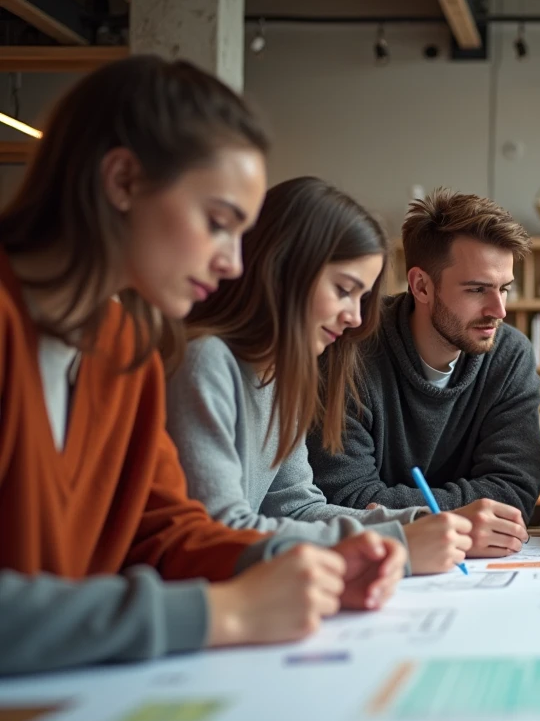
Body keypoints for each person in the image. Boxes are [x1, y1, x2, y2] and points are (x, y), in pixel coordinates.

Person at [0, 56, 404, 676]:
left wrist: (299, 569)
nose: (234, 265)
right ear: (124, 180)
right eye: (217, 224)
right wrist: (226, 613)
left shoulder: (123, 347)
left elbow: (169, 534)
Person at [165, 177, 471, 576]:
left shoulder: (282, 374)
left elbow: (297, 507)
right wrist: (396, 542)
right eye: (344, 290)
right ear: (284, 269)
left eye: (362, 298)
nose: (356, 318)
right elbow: (220, 532)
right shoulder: (205, 361)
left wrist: (414, 524)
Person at [308, 188, 540, 558]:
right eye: (477, 289)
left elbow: (514, 493)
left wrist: (394, 508)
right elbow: (343, 496)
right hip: (376, 560)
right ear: (421, 285)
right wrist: (465, 514)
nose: (499, 310)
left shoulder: (510, 355)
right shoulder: (349, 345)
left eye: (504, 289)